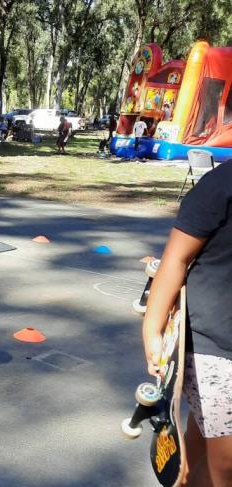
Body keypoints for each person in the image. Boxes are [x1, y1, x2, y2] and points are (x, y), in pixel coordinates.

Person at [143, 162, 232, 486]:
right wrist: (153, 328)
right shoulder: (221, 184)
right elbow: (175, 259)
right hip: (212, 345)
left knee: (201, 446)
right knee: (227, 464)